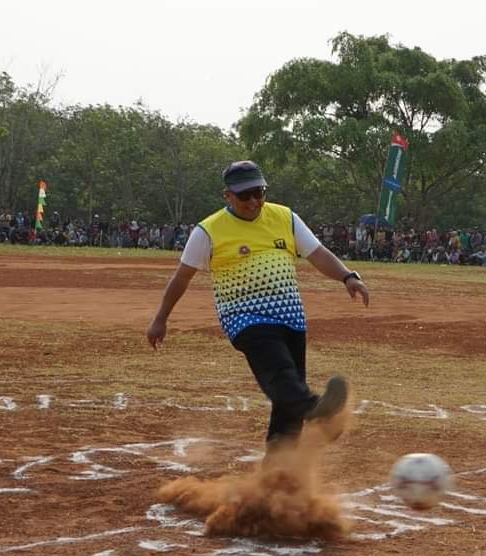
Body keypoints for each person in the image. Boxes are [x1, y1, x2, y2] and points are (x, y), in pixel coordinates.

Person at [146, 160, 370, 458]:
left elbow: (317, 253)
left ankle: (278, 473)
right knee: (279, 375)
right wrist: (161, 318)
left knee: (286, 400)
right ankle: (316, 411)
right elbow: (182, 278)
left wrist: (347, 276)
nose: (254, 201)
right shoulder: (209, 231)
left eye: (259, 192)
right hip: (244, 319)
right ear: (228, 196)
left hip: (291, 320)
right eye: (244, 195)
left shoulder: (284, 217)